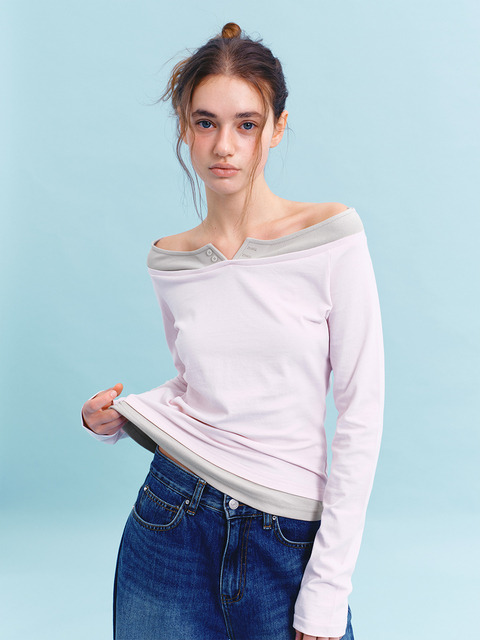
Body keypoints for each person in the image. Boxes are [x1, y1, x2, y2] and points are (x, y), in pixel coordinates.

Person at [81, 21, 384, 640]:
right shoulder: (170, 259)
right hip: (170, 519)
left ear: (276, 128)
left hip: (286, 534)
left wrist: (327, 591)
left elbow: (361, 414)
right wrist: (121, 417)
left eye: (246, 124)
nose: (224, 145)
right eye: (206, 122)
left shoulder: (332, 239)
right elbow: (200, 384)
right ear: (185, 129)